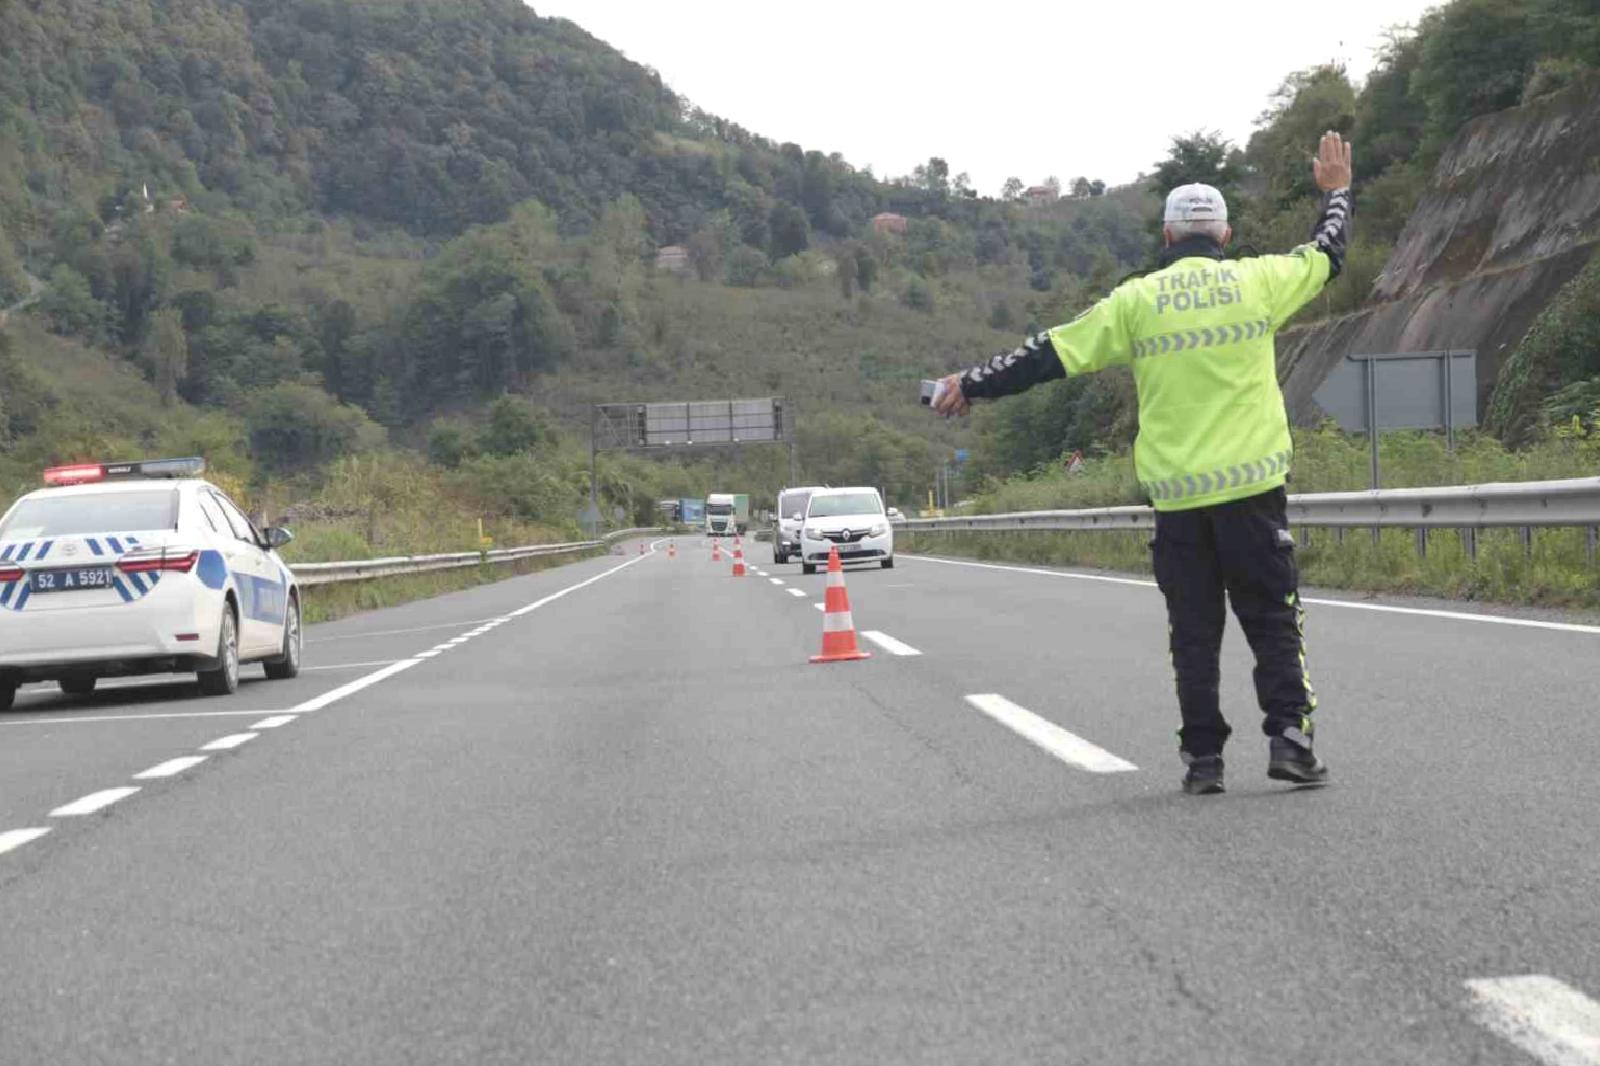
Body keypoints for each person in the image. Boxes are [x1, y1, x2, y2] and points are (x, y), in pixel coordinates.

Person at [933, 132, 1353, 795]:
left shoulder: (1135, 302)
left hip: (1179, 501)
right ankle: (1292, 740)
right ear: (1226, 234)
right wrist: (1335, 192)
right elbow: (1328, 253)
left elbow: (1048, 353)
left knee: (1193, 633)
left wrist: (972, 382)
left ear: (1165, 237)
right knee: (1272, 618)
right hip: (1253, 492)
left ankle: (1204, 762)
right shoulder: (1258, 282)